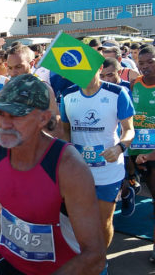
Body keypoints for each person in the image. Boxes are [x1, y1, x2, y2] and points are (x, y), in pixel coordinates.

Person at [0, 74, 106, 274]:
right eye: (1, 114)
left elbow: (94, 256)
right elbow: (1, 187)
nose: (5, 124)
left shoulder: (69, 168)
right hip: (10, 260)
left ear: (43, 118)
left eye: (17, 116)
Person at [61, 64, 135, 273]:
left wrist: (120, 147)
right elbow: (65, 130)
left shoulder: (117, 93)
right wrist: (68, 153)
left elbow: (129, 130)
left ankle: (99, 260)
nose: (81, 76)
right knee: (76, 220)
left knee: (103, 222)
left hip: (107, 170)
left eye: (86, 70)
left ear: (99, 68)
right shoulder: (67, 94)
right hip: (78, 171)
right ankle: (83, 257)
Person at [100, 57, 140, 216]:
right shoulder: (96, 90)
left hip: (122, 140)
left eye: (110, 75)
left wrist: (123, 144)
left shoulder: (126, 89)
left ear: (119, 73)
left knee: (121, 174)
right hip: (102, 142)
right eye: (102, 76)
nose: (106, 79)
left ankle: (127, 192)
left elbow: (130, 124)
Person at [126, 46, 155, 262]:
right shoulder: (134, 84)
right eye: (141, 63)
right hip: (138, 154)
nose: (145, 67)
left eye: (150, 62)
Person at [6, 45, 62, 138]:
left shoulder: (43, 89)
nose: (13, 73)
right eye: (10, 68)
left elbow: (57, 129)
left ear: (31, 64)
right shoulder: (8, 88)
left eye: (18, 67)